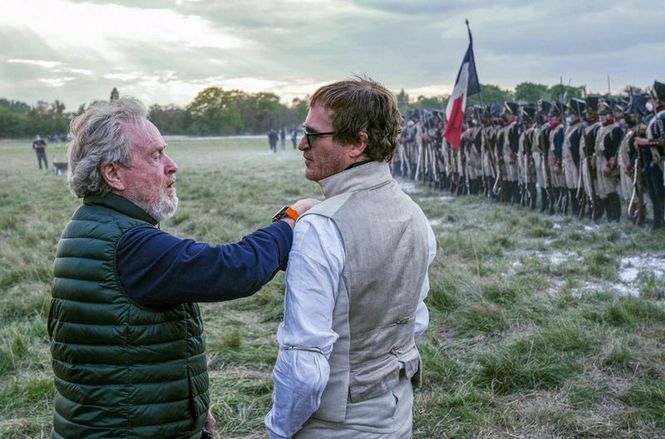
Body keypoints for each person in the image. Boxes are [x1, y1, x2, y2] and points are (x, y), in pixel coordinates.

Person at [47, 97, 318, 438]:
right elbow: (233, 269)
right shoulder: (130, 246)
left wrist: (187, 413)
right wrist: (290, 221)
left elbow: (126, 352)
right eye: (155, 156)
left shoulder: (93, 225)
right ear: (113, 174)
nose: (172, 165)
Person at [265, 77, 436, 438]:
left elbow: (303, 363)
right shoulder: (415, 214)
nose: (301, 144)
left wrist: (280, 429)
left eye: (313, 135)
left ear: (358, 143)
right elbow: (414, 321)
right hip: (396, 415)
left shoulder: (320, 228)